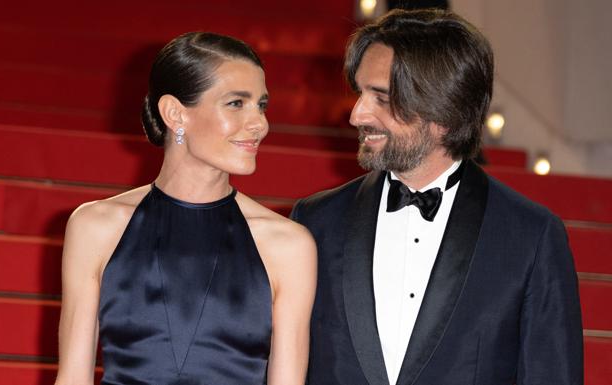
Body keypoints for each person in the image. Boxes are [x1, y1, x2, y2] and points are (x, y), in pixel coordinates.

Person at [291, 9, 583, 385]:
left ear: (443, 108)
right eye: (360, 94)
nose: (357, 115)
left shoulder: (531, 236)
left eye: (381, 98)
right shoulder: (316, 221)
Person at [55, 32, 316, 385]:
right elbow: (72, 378)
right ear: (175, 113)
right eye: (237, 103)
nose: (260, 124)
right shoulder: (94, 226)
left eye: (262, 105)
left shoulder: (288, 245)